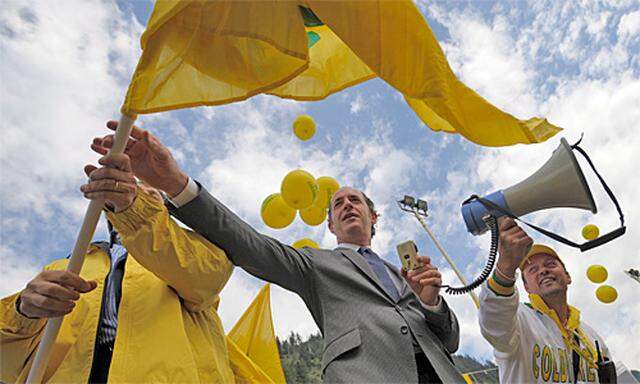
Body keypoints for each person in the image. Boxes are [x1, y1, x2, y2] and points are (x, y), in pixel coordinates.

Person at [89, 121, 464, 383]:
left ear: (373, 215)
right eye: (338, 204)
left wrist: (432, 304)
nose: (347, 205)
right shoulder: (316, 265)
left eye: (355, 200)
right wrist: (174, 183)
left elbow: (449, 342)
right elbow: (249, 244)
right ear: (331, 226)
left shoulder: (408, 275)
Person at [0, 153, 235, 383]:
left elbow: (206, 278)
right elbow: (7, 366)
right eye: (136, 190)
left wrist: (134, 210)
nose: (141, 194)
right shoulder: (67, 265)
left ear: (164, 209)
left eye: (151, 196)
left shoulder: (196, 248)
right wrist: (23, 313)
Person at [479, 217, 615, 383]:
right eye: (533, 269)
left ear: (568, 276)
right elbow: (494, 319)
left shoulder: (591, 336)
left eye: (550, 264)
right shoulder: (518, 320)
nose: (543, 271)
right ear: (527, 287)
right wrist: (506, 266)